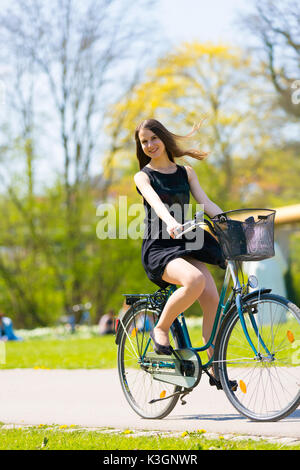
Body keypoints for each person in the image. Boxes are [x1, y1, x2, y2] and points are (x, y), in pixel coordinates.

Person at [134, 119, 236, 390]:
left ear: (164, 139)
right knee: (193, 280)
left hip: (186, 242)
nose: (150, 145)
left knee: (213, 300)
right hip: (160, 246)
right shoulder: (143, 176)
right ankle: (161, 328)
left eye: (153, 138)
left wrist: (230, 222)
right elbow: (155, 202)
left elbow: (206, 202)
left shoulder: (186, 172)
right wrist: (169, 220)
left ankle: (215, 367)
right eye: (144, 142)